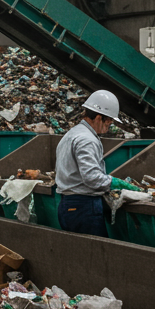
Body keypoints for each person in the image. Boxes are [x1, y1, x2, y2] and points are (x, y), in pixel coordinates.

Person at [55, 89, 135, 237]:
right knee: (95, 256)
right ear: (98, 118)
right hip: (83, 207)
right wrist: (116, 183)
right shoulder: (87, 140)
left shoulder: (72, 134)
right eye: (109, 120)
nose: (110, 124)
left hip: (68, 205)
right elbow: (91, 177)